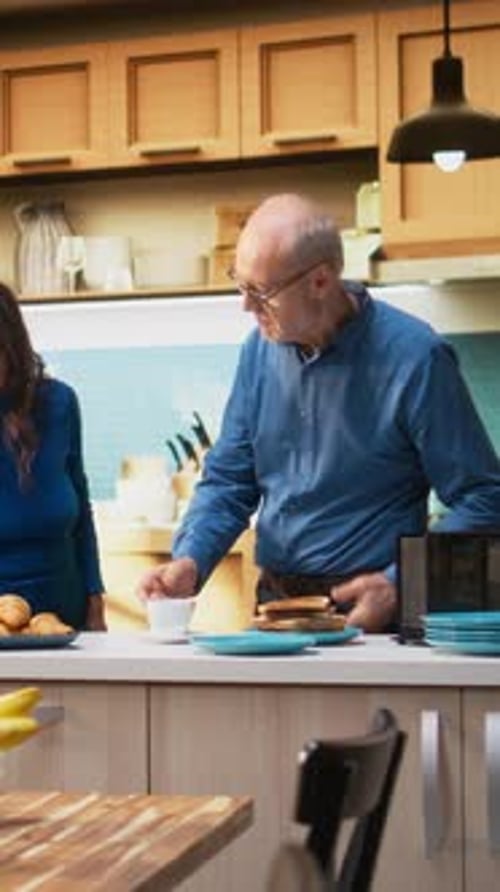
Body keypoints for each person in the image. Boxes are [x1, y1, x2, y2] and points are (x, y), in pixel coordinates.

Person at [137, 193, 500, 631]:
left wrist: (400, 584)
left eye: (261, 291)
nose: (246, 306)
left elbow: (485, 498)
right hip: (276, 606)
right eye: (241, 284)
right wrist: (190, 560)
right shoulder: (258, 352)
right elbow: (229, 481)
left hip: (371, 606)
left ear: (321, 282)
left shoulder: (417, 358)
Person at [0, 282, 106, 631]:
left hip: (65, 615)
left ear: (11, 347)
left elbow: (81, 513)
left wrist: (95, 603)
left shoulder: (59, 403)